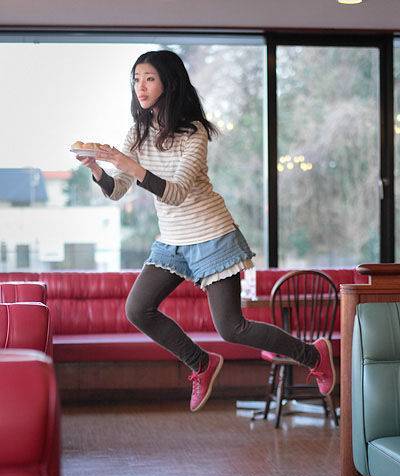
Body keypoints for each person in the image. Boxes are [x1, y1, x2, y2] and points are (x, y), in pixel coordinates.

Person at [76, 49, 335, 412]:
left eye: (149, 78)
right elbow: (117, 190)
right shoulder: (137, 133)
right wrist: (97, 168)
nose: (140, 87)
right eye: (136, 79)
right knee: (137, 309)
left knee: (232, 328)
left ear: (168, 82)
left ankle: (314, 355)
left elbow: (176, 192)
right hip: (172, 240)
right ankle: (200, 363)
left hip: (212, 235)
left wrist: (125, 162)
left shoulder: (193, 132)